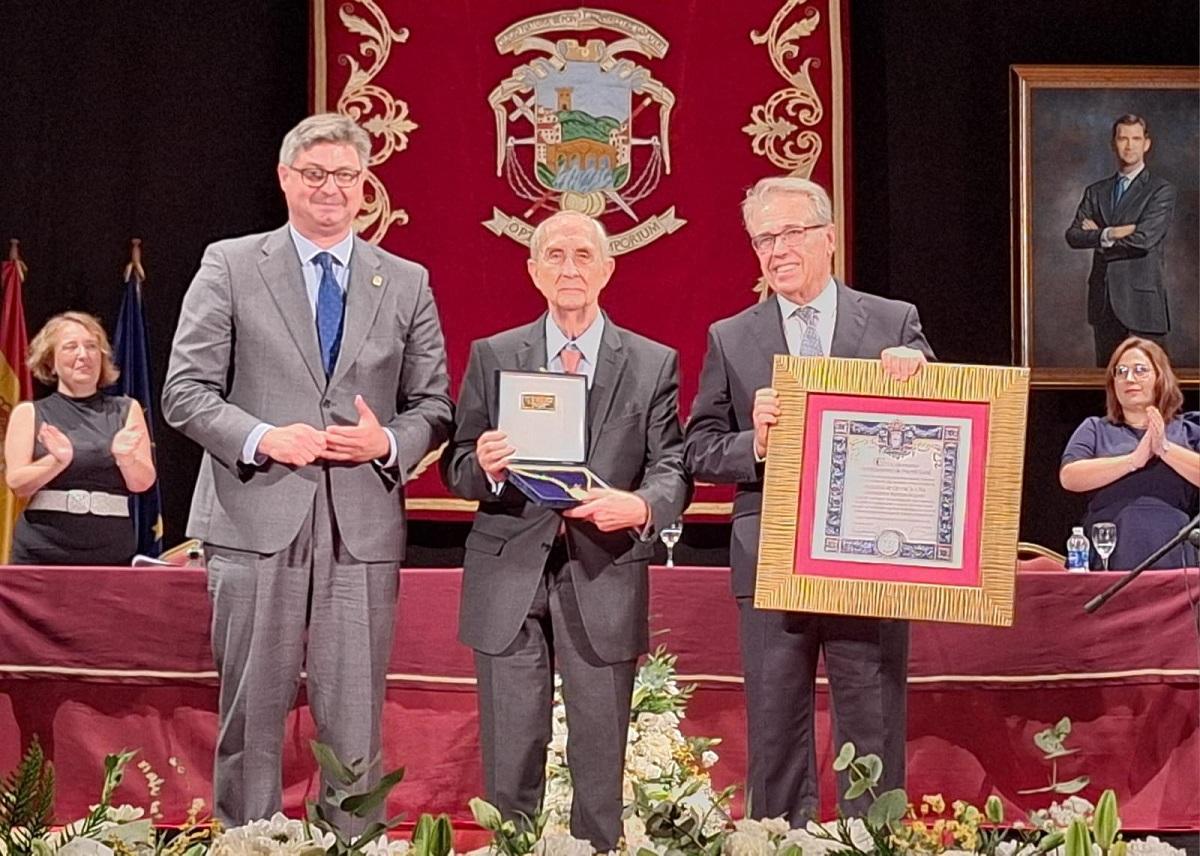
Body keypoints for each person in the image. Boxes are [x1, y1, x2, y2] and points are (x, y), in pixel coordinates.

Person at [161, 113, 453, 829]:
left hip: (361, 528)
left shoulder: (406, 280)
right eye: (315, 174)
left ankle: (351, 843)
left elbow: (436, 405)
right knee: (251, 712)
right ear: (287, 179)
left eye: (345, 177)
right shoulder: (230, 264)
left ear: (364, 189)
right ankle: (247, 843)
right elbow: (184, 391)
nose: (331, 189)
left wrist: (386, 441)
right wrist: (262, 436)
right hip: (253, 515)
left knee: (355, 721)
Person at [683, 177, 934, 823]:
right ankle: (778, 840)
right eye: (764, 238)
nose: (777, 249)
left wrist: (919, 378)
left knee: (873, 721)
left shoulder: (891, 322)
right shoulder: (731, 336)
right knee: (774, 729)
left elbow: (943, 429)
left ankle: (872, 841)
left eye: (791, 233)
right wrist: (755, 442)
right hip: (770, 553)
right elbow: (699, 449)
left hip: (871, 554)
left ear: (828, 237)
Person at [440, 210, 690, 850]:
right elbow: (457, 464)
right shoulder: (494, 355)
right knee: (511, 754)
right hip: (508, 573)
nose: (570, 267)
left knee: (600, 759)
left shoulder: (652, 361)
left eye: (583, 254)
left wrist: (639, 506)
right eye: (554, 255)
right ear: (532, 270)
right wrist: (487, 467)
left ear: (608, 268)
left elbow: (672, 465)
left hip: (603, 567)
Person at [4, 311, 155, 565]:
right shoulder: (28, 413)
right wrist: (57, 461)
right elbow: (18, 483)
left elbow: (142, 483)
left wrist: (125, 458)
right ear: (50, 361)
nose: (83, 355)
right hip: (42, 551)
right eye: (70, 347)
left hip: (110, 551)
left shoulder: (127, 409)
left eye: (91, 347)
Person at [1060, 337, 1199, 570]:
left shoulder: (1189, 428)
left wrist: (1163, 448)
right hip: (1110, 546)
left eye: (1140, 370)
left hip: (1175, 549)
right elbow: (1069, 477)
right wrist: (1133, 460)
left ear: (1160, 378)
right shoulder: (1095, 428)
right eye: (1121, 371)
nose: (1129, 378)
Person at [1065, 114, 1177, 367]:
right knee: (1106, 388)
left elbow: (1143, 240)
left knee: (1151, 388)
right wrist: (1112, 232)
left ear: (1146, 144)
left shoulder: (1161, 190)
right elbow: (1073, 235)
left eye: (1136, 138)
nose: (1129, 145)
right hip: (1104, 305)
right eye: (1123, 138)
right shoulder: (1096, 191)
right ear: (1113, 143)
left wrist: (1097, 235)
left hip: (1143, 307)